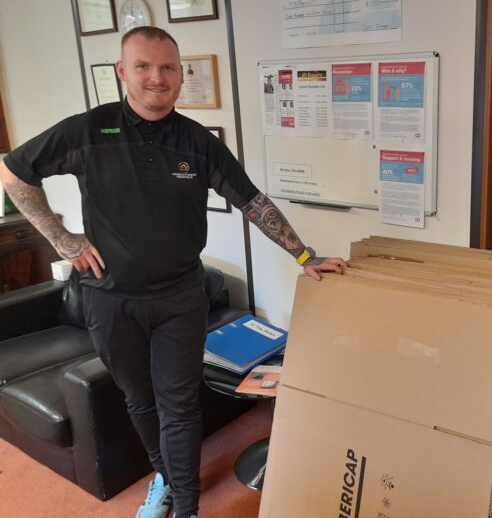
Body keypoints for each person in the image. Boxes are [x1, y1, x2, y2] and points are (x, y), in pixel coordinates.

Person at [0, 26, 346, 518]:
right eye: (143, 66)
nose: (156, 78)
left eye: (167, 68)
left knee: (180, 405)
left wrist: (305, 256)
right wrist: (62, 238)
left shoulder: (197, 143)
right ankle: (165, 477)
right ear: (123, 72)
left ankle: (185, 507)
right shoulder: (88, 131)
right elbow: (14, 171)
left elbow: (253, 202)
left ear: (181, 76)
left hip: (180, 299)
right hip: (109, 299)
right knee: (139, 401)